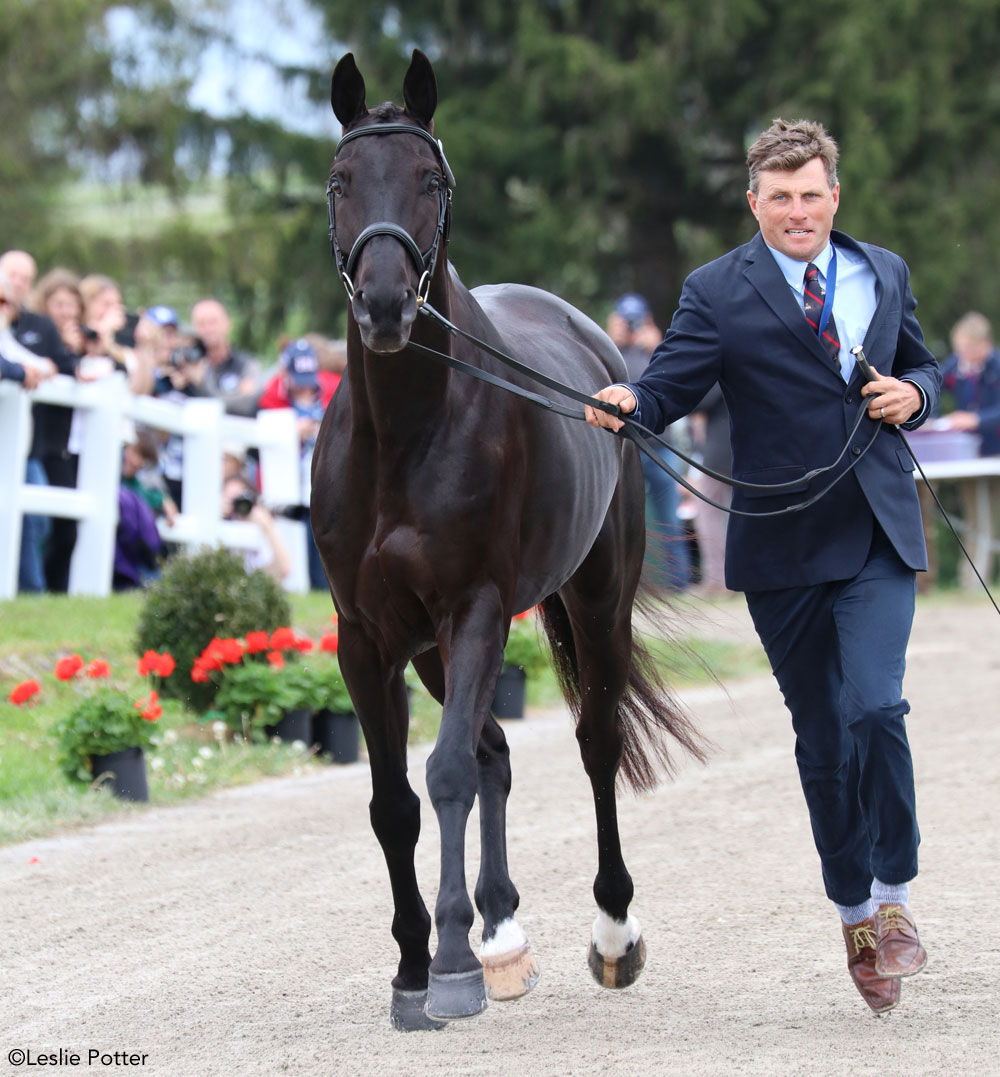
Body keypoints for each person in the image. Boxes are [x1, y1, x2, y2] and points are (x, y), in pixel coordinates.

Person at [586, 118, 942, 1015]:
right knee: (824, 738)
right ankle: (855, 914)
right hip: (781, 545)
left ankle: (895, 895)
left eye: (811, 194)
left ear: (834, 197)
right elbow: (670, 386)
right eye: (779, 197)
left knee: (876, 705)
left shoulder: (882, 271)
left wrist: (917, 394)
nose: (797, 211)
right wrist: (632, 398)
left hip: (875, 528)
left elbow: (923, 366)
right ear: (755, 203)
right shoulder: (718, 288)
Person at [1, 251, 75, 593]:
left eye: (24, 278)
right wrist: (22, 371)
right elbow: (15, 364)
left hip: (24, 445)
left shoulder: (35, 325)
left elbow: (52, 366)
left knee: (38, 520)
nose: (16, 284)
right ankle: (31, 591)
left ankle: (30, 591)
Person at [607, 294, 691, 590]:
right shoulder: (608, 350)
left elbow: (676, 387)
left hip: (660, 447)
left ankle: (678, 583)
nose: (631, 326)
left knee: (671, 519)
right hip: (625, 448)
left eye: (636, 319)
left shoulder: (657, 350)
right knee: (621, 519)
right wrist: (611, 339)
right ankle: (630, 586)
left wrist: (657, 347)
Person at [936, 311, 1000, 585]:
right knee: (972, 517)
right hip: (967, 455)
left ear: (983, 345)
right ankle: (969, 580)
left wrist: (974, 419)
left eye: (968, 349)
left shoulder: (996, 367)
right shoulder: (958, 366)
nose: (962, 355)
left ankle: (977, 581)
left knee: (986, 519)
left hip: (993, 453)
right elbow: (934, 385)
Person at [688, 382, 733, 595]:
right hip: (750, 452)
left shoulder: (724, 366)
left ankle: (718, 580)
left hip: (721, 455)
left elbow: (696, 403)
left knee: (708, 516)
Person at [190, 298, 260, 415]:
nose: (208, 329)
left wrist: (201, 385)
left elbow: (247, 404)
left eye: (213, 322)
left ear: (228, 324)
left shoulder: (246, 365)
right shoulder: (187, 365)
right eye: (201, 324)